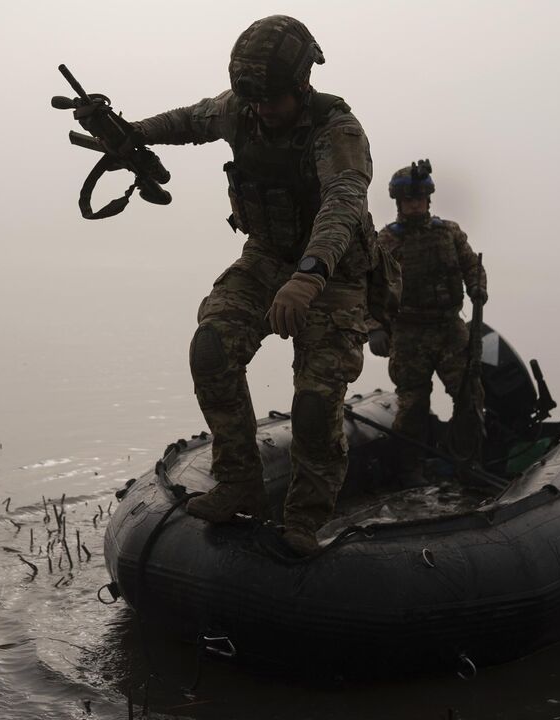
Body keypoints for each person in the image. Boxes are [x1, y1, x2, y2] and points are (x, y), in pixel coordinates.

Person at [124, 15, 377, 556]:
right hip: (266, 258)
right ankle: (238, 481)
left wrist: (308, 276)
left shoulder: (337, 131)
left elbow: (343, 203)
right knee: (211, 348)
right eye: (255, 100)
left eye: (274, 100)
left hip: (333, 277)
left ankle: (305, 519)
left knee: (314, 403)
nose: (263, 110)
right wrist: (132, 133)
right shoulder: (243, 107)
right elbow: (189, 120)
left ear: (303, 83)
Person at [369, 160, 487, 484]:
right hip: (408, 334)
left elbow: (472, 266)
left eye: (419, 199)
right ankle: (408, 471)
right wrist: (375, 328)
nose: (414, 205)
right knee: (412, 404)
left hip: (450, 329)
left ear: (428, 200)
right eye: (408, 200)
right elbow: (369, 288)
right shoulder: (385, 243)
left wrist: (478, 289)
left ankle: (469, 463)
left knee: (469, 396)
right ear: (398, 203)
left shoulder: (449, 233)